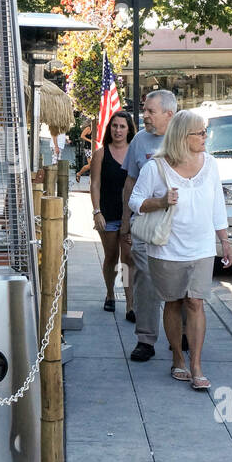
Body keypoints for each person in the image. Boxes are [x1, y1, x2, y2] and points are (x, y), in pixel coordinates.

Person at [128, 110, 232, 389]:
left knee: (196, 303)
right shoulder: (156, 167)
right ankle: (178, 358)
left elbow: (217, 206)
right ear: (182, 137)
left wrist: (224, 240)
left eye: (204, 132)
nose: (204, 137)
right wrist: (161, 201)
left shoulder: (210, 164)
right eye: (199, 133)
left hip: (201, 248)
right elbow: (135, 202)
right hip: (167, 249)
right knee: (173, 302)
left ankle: (196, 365)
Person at [119, 90, 178, 361]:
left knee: (180, 283)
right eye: (144, 110)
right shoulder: (139, 141)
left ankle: (182, 334)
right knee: (146, 281)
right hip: (145, 223)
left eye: (150, 111)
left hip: (178, 227)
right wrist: (125, 223)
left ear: (169, 114)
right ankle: (145, 339)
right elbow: (129, 184)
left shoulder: (184, 138)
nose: (144, 115)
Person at [89, 110, 136, 314]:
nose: (118, 130)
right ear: (110, 128)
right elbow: (94, 184)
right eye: (115, 126)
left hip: (129, 215)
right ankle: (110, 293)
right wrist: (96, 211)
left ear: (129, 129)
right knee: (111, 257)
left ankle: (130, 304)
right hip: (107, 213)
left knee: (128, 258)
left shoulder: (134, 153)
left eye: (122, 126)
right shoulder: (101, 153)